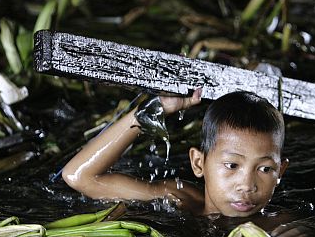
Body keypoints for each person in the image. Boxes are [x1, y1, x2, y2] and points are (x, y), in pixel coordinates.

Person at [62, 90, 289, 218]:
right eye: (232, 165)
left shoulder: (281, 226)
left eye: (265, 169)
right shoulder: (177, 200)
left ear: (280, 172)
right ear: (198, 163)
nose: (247, 185)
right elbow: (80, 176)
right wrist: (154, 108)